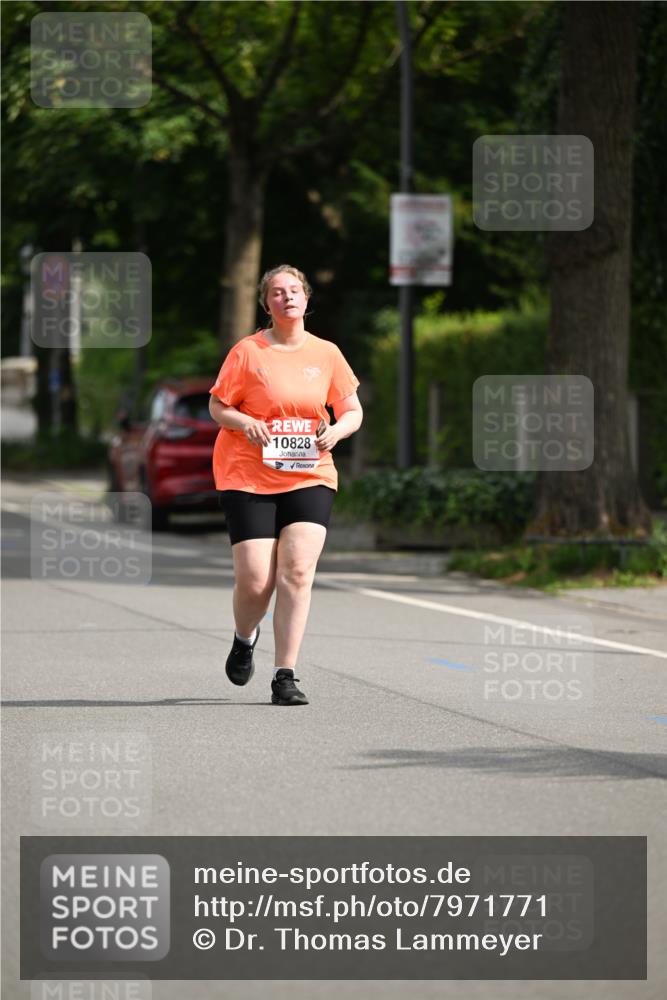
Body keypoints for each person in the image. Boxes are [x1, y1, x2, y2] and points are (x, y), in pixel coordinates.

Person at [208, 265, 363, 706]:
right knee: (256, 580)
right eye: (277, 292)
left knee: (296, 572)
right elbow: (218, 406)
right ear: (267, 303)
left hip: (310, 473)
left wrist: (337, 432)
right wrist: (246, 422)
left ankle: (285, 675)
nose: (287, 297)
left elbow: (351, 410)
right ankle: (244, 637)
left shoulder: (327, 353)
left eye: (295, 290)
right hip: (248, 474)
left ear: (307, 299)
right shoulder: (248, 351)